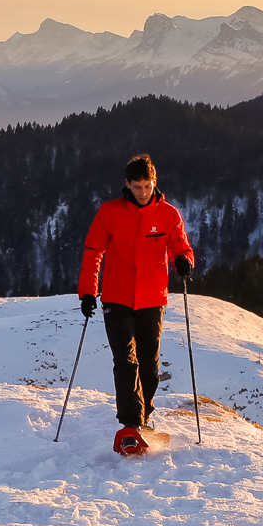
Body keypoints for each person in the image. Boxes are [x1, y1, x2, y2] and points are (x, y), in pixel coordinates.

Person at [78, 154, 195, 454]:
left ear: (155, 183)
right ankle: (130, 425)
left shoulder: (169, 215)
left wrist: (183, 261)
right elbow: (93, 252)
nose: (142, 192)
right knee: (125, 360)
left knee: (149, 364)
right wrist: (88, 292)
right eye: (137, 186)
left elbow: (180, 247)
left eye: (147, 185)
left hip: (152, 299)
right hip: (116, 298)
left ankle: (144, 420)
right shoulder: (109, 212)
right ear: (126, 184)